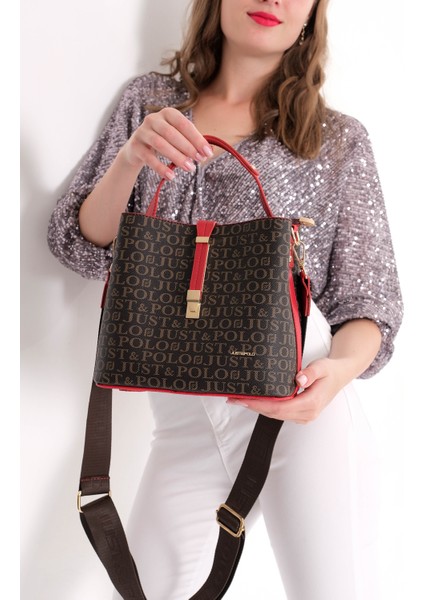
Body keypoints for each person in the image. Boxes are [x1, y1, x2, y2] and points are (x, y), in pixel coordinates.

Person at [47, 0, 403, 598]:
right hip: (181, 421)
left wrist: (337, 374)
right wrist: (131, 159)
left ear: (312, 14)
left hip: (296, 410)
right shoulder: (150, 103)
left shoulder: (337, 140)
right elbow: (79, 245)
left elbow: (369, 305)